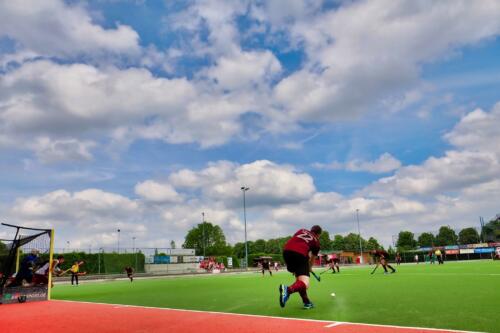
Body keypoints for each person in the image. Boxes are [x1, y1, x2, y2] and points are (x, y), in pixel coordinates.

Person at [279, 225, 322, 310]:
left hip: (287, 252)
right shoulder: (316, 242)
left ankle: (307, 302)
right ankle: (287, 290)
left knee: (299, 282)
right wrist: (309, 267)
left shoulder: (302, 230)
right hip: (300, 254)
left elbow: (296, 240)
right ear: (319, 234)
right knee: (305, 284)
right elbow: (313, 258)